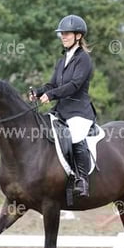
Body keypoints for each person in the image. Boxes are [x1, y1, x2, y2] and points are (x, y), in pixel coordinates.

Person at [29, 14, 96, 198]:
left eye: (67, 33)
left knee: (75, 136)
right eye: (62, 34)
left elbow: (74, 85)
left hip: (79, 112)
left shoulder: (84, 59)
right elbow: (52, 84)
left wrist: (51, 95)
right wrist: (39, 92)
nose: (63, 36)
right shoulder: (62, 60)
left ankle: (82, 180)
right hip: (61, 111)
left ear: (78, 36)